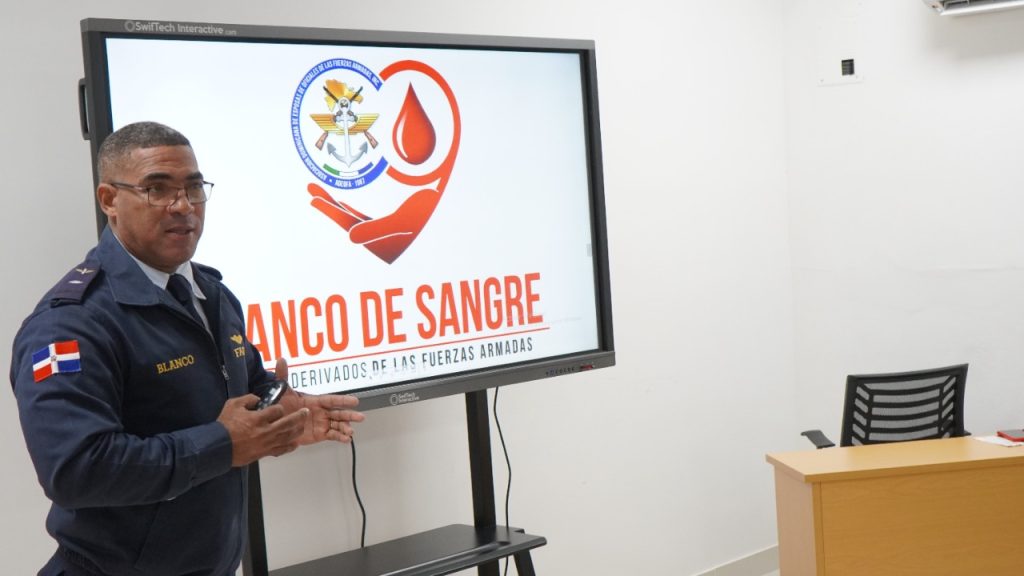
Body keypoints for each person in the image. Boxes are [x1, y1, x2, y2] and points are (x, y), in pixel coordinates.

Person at [10, 121, 365, 576]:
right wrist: (223, 444)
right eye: (157, 189)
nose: (183, 206)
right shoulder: (71, 324)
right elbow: (77, 470)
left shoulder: (211, 295)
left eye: (194, 188)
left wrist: (283, 415)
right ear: (109, 200)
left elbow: (245, 387)